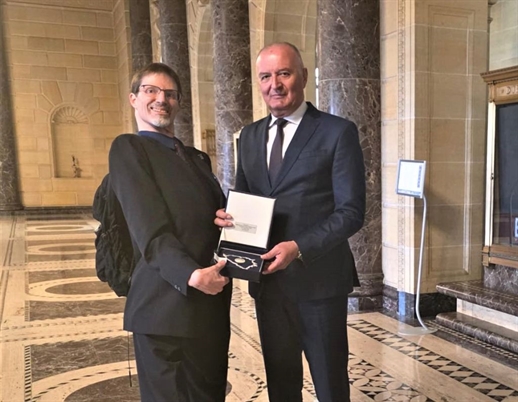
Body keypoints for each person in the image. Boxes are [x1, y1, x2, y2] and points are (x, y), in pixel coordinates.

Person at [216, 42, 366, 402]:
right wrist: (228, 217)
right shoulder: (249, 136)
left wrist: (298, 247)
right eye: (265, 76)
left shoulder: (336, 131)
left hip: (319, 283)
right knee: (281, 386)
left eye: (284, 73)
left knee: (330, 385)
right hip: (269, 284)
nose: (275, 84)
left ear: (303, 76)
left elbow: (351, 212)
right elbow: (246, 199)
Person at [109, 62, 231, 402]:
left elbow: (209, 219)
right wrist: (191, 274)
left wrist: (225, 219)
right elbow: (149, 228)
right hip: (162, 307)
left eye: (170, 94)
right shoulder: (128, 149)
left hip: (209, 305)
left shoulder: (197, 158)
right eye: (151, 91)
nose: (161, 99)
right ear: (134, 98)